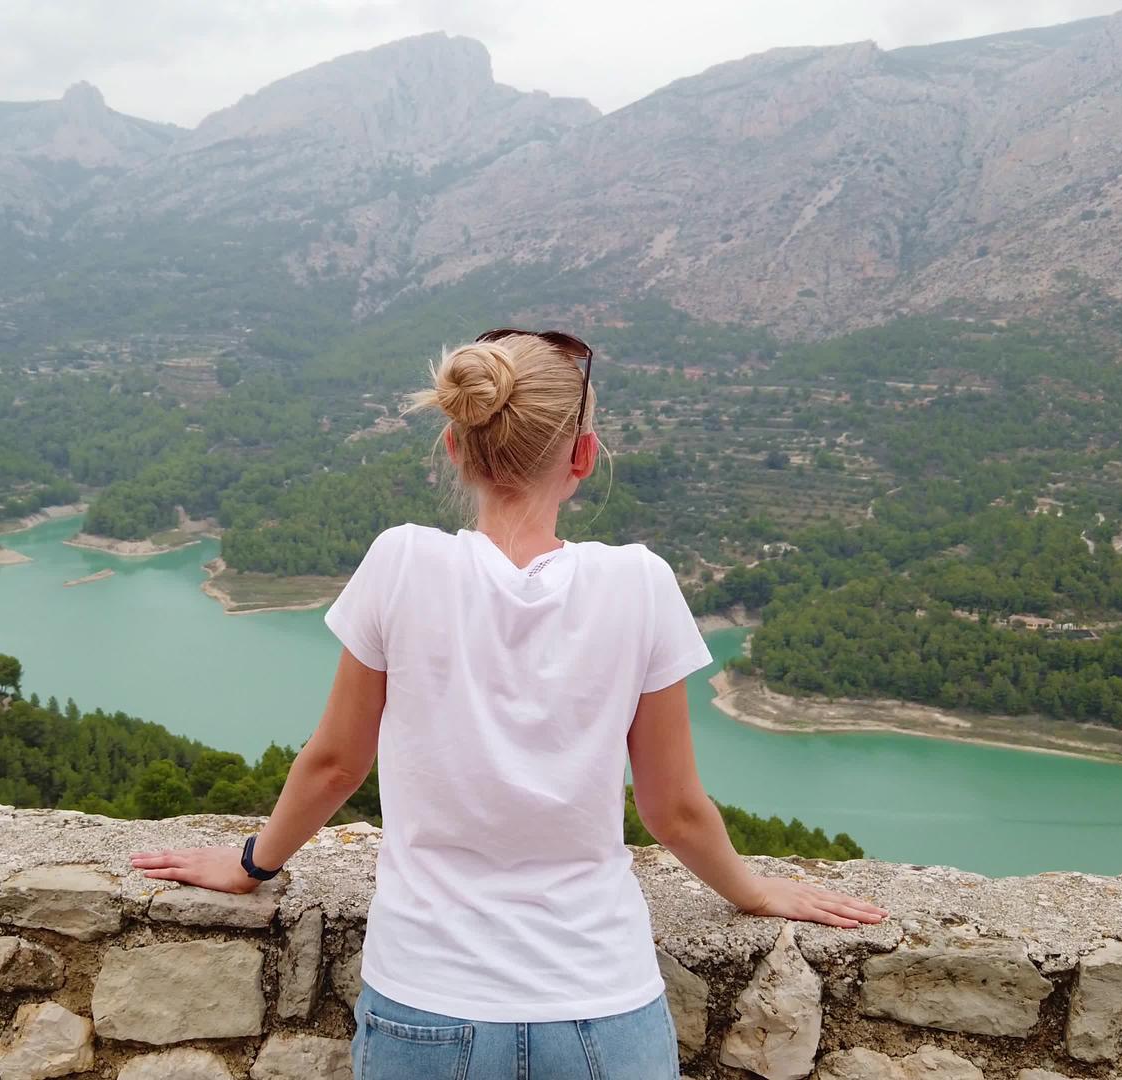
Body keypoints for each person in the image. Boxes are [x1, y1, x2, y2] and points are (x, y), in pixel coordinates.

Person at [131, 329, 887, 1079]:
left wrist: (251, 865)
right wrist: (752, 891)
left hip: (426, 999)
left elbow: (334, 765)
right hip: (602, 1003)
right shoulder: (641, 583)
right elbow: (674, 810)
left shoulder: (401, 561)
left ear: (458, 450)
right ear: (583, 460)